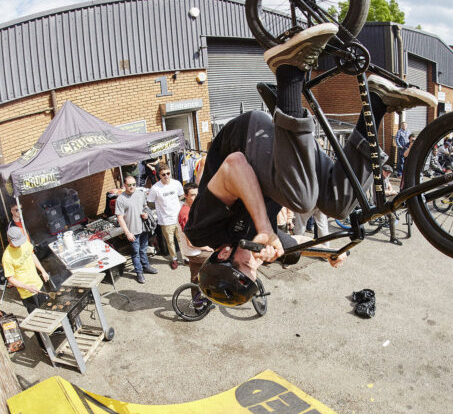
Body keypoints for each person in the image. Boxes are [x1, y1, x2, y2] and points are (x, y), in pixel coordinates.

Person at [184, 23, 436, 305]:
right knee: (339, 202)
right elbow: (299, 244)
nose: (257, 263)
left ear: (223, 253)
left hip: (245, 137)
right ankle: (378, 102)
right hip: (285, 162)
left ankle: (288, 71)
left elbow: (235, 165)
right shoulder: (261, 247)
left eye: (246, 265)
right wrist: (329, 252)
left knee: (301, 200)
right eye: (255, 271)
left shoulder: (202, 230)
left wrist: (265, 227)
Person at [115, 175, 158, 284]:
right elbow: (120, 218)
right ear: (124, 185)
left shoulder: (140, 194)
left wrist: (146, 214)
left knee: (143, 249)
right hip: (132, 230)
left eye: (134, 184)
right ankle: (139, 272)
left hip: (143, 228)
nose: (132, 187)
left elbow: (145, 206)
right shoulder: (120, 199)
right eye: (129, 185)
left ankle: (146, 266)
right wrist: (127, 233)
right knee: (135, 252)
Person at [1, 226, 50, 312]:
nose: (20, 245)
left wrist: (43, 271)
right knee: (36, 316)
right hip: (27, 293)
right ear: (9, 240)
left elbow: (32, 255)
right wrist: (27, 287)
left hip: (38, 284)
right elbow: (10, 279)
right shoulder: (7, 257)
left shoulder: (25, 243)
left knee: (48, 310)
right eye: (17, 243)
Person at [147, 163, 184, 270]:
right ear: (159, 175)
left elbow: (182, 195)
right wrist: (160, 207)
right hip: (166, 219)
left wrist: (176, 201)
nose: (166, 176)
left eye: (168, 173)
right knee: (170, 241)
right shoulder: (155, 188)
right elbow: (150, 202)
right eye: (163, 174)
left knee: (181, 239)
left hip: (177, 217)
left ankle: (185, 258)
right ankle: (174, 259)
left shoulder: (176, 183)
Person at [176, 184, 213, 287]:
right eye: (192, 195)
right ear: (185, 195)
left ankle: (196, 297)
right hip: (194, 251)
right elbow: (190, 243)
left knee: (195, 277)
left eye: (197, 195)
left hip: (192, 250)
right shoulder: (185, 214)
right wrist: (205, 247)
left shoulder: (191, 208)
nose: (196, 198)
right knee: (220, 260)